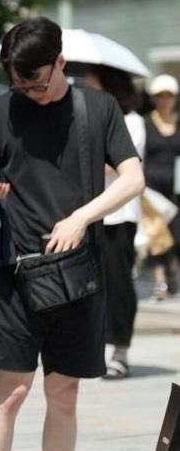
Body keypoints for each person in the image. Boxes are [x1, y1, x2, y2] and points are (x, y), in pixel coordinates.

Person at [0, 17, 143, 451]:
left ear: (61, 62)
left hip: (78, 273)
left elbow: (132, 177)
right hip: (15, 274)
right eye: (20, 85)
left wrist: (81, 216)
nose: (30, 94)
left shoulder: (97, 110)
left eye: (38, 83)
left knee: (64, 395)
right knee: (10, 391)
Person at [82, 64, 146, 379]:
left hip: (120, 215)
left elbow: (124, 167)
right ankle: (97, 346)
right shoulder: (88, 119)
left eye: (92, 81)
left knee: (120, 284)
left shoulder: (133, 122)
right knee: (94, 285)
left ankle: (120, 349)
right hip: (91, 214)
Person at [143, 74, 180, 301]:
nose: (165, 101)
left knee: (175, 236)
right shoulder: (145, 123)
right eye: (160, 97)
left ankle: (173, 272)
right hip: (152, 189)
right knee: (156, 235)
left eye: (169, 97)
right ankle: (160, 282)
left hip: (176, 190)